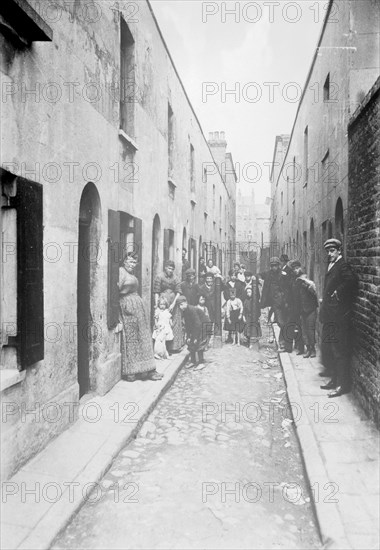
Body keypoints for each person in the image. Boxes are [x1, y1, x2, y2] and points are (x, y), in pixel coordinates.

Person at [319, 239, 357, 397]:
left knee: (340, 350)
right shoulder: (332, 265)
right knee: (332, 348)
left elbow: (352, 281)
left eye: (332, 251)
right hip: (331, 315)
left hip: (339, 316)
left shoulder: (343, 265)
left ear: (339, 251)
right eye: (328, 251)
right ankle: (334, 379)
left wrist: (338, 292)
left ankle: (342, 385)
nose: (330, 254)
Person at [118, 252, 163, 382]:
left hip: (138, 310)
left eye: (134, 262)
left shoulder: (131, 274)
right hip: (128, 310)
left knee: (143, 338)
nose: (132, 264)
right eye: (130, 261)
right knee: (131, 339)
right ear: (124, 262)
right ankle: (131, 372)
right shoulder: (121, 272)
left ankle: (147, 370)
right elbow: (116, 290)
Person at [260, 256, 291, 352]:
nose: (274, 268)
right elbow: (259, 276)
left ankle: (284, 344)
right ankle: (283, 343)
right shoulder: (268, 274)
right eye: (272, 266)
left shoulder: (283, 274)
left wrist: (286, 299)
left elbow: (288, 288)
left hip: (284, 302)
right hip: (275, 304)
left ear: (279, 265)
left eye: (275, 266)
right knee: (281, 323)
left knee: (285, 323)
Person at [289, 260, 319, 358]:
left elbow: (313, 290)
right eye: (294, 269)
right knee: (304, 330)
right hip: (301, 309)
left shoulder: (305, 278)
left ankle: (313, 349)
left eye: (297, 268)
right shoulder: (294, 280)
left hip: (310, 308)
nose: (296, 270)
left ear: (300, 268)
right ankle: (308, 349)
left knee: (310, 329)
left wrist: (307, 283)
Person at [153, 260, 183, 352]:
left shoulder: (176, 278)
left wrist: (174, 303)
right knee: (163, 322)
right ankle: (162, 347)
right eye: (169, 268)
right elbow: (156, 291)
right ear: (165, 267)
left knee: (174, 322)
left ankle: (174, 347)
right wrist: (157, 304)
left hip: (173, 300)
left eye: (172, 269)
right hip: (163, 301)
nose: (170, 270)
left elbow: (178, 291)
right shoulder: (159, 277)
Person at [178, 296, 208, 371]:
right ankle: (193, 361)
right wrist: (188, 336)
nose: (180, 307)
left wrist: (195, 337)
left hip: (204, 325)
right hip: (196, 326)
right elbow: (188, 324)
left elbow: (197, 324)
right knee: (191, 342)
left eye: (181, 304)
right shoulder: (184, 311)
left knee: (199, 342)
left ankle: (201, 363)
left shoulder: (191, 309)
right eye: (179, 305)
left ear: (186, 303)